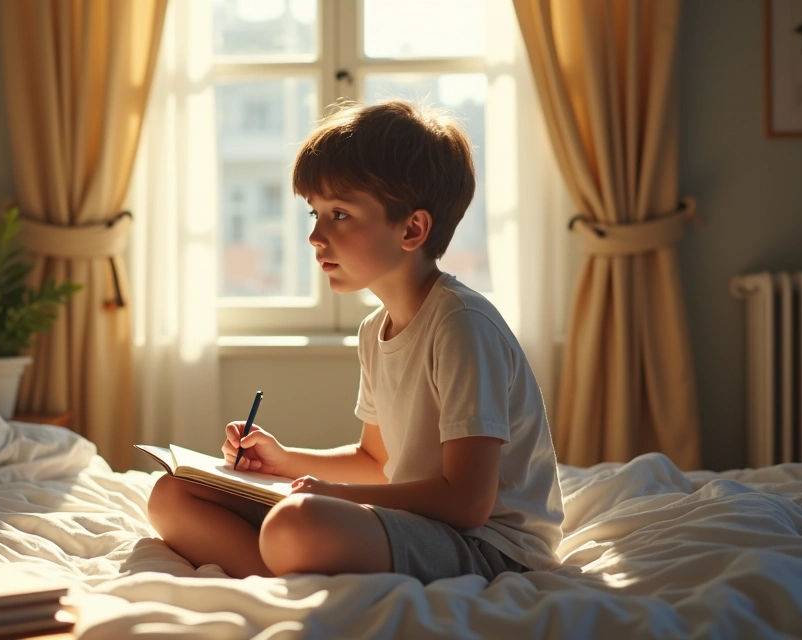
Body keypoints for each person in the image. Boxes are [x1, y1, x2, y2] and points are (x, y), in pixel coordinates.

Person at [148, 99, 563, 583]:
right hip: (418, 523)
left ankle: (280, 560)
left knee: (297, 523)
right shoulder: (376, 329)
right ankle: (281, 568)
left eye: (340, 213)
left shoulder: (461, 324)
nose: (315, 236)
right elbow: (376, 461)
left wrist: (334, 496)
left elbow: (468, 502)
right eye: (314, 213)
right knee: (171, 495)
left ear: (412, 229)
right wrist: (284, 461)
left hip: (488, 544)